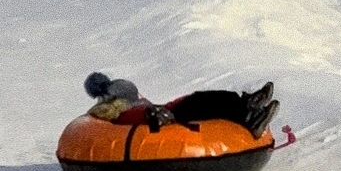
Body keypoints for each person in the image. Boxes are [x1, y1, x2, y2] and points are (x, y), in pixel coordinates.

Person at [83, 72, 279, 140]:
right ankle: (247, 114)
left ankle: (248, 105)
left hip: (168, 109)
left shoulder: (125, 98)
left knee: (203, 98)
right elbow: (130, 120)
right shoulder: (113, 111)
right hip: (168, 116)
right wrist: (153, 115)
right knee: (202, 102)